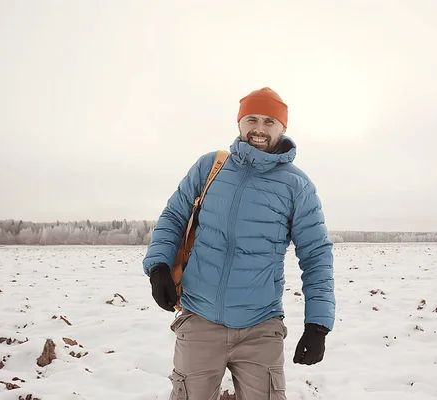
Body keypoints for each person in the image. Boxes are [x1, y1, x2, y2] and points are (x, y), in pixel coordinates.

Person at [142, 87, 335, 400]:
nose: (259, 128)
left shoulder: (297, 186)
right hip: (199, 319)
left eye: (270, 121)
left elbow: (316, 256)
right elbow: (174, 217)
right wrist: (159, 265)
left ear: (283, 128)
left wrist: (317, 325)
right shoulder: (210, 166)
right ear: (239, 123)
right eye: (252, 119)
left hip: (261, 326)